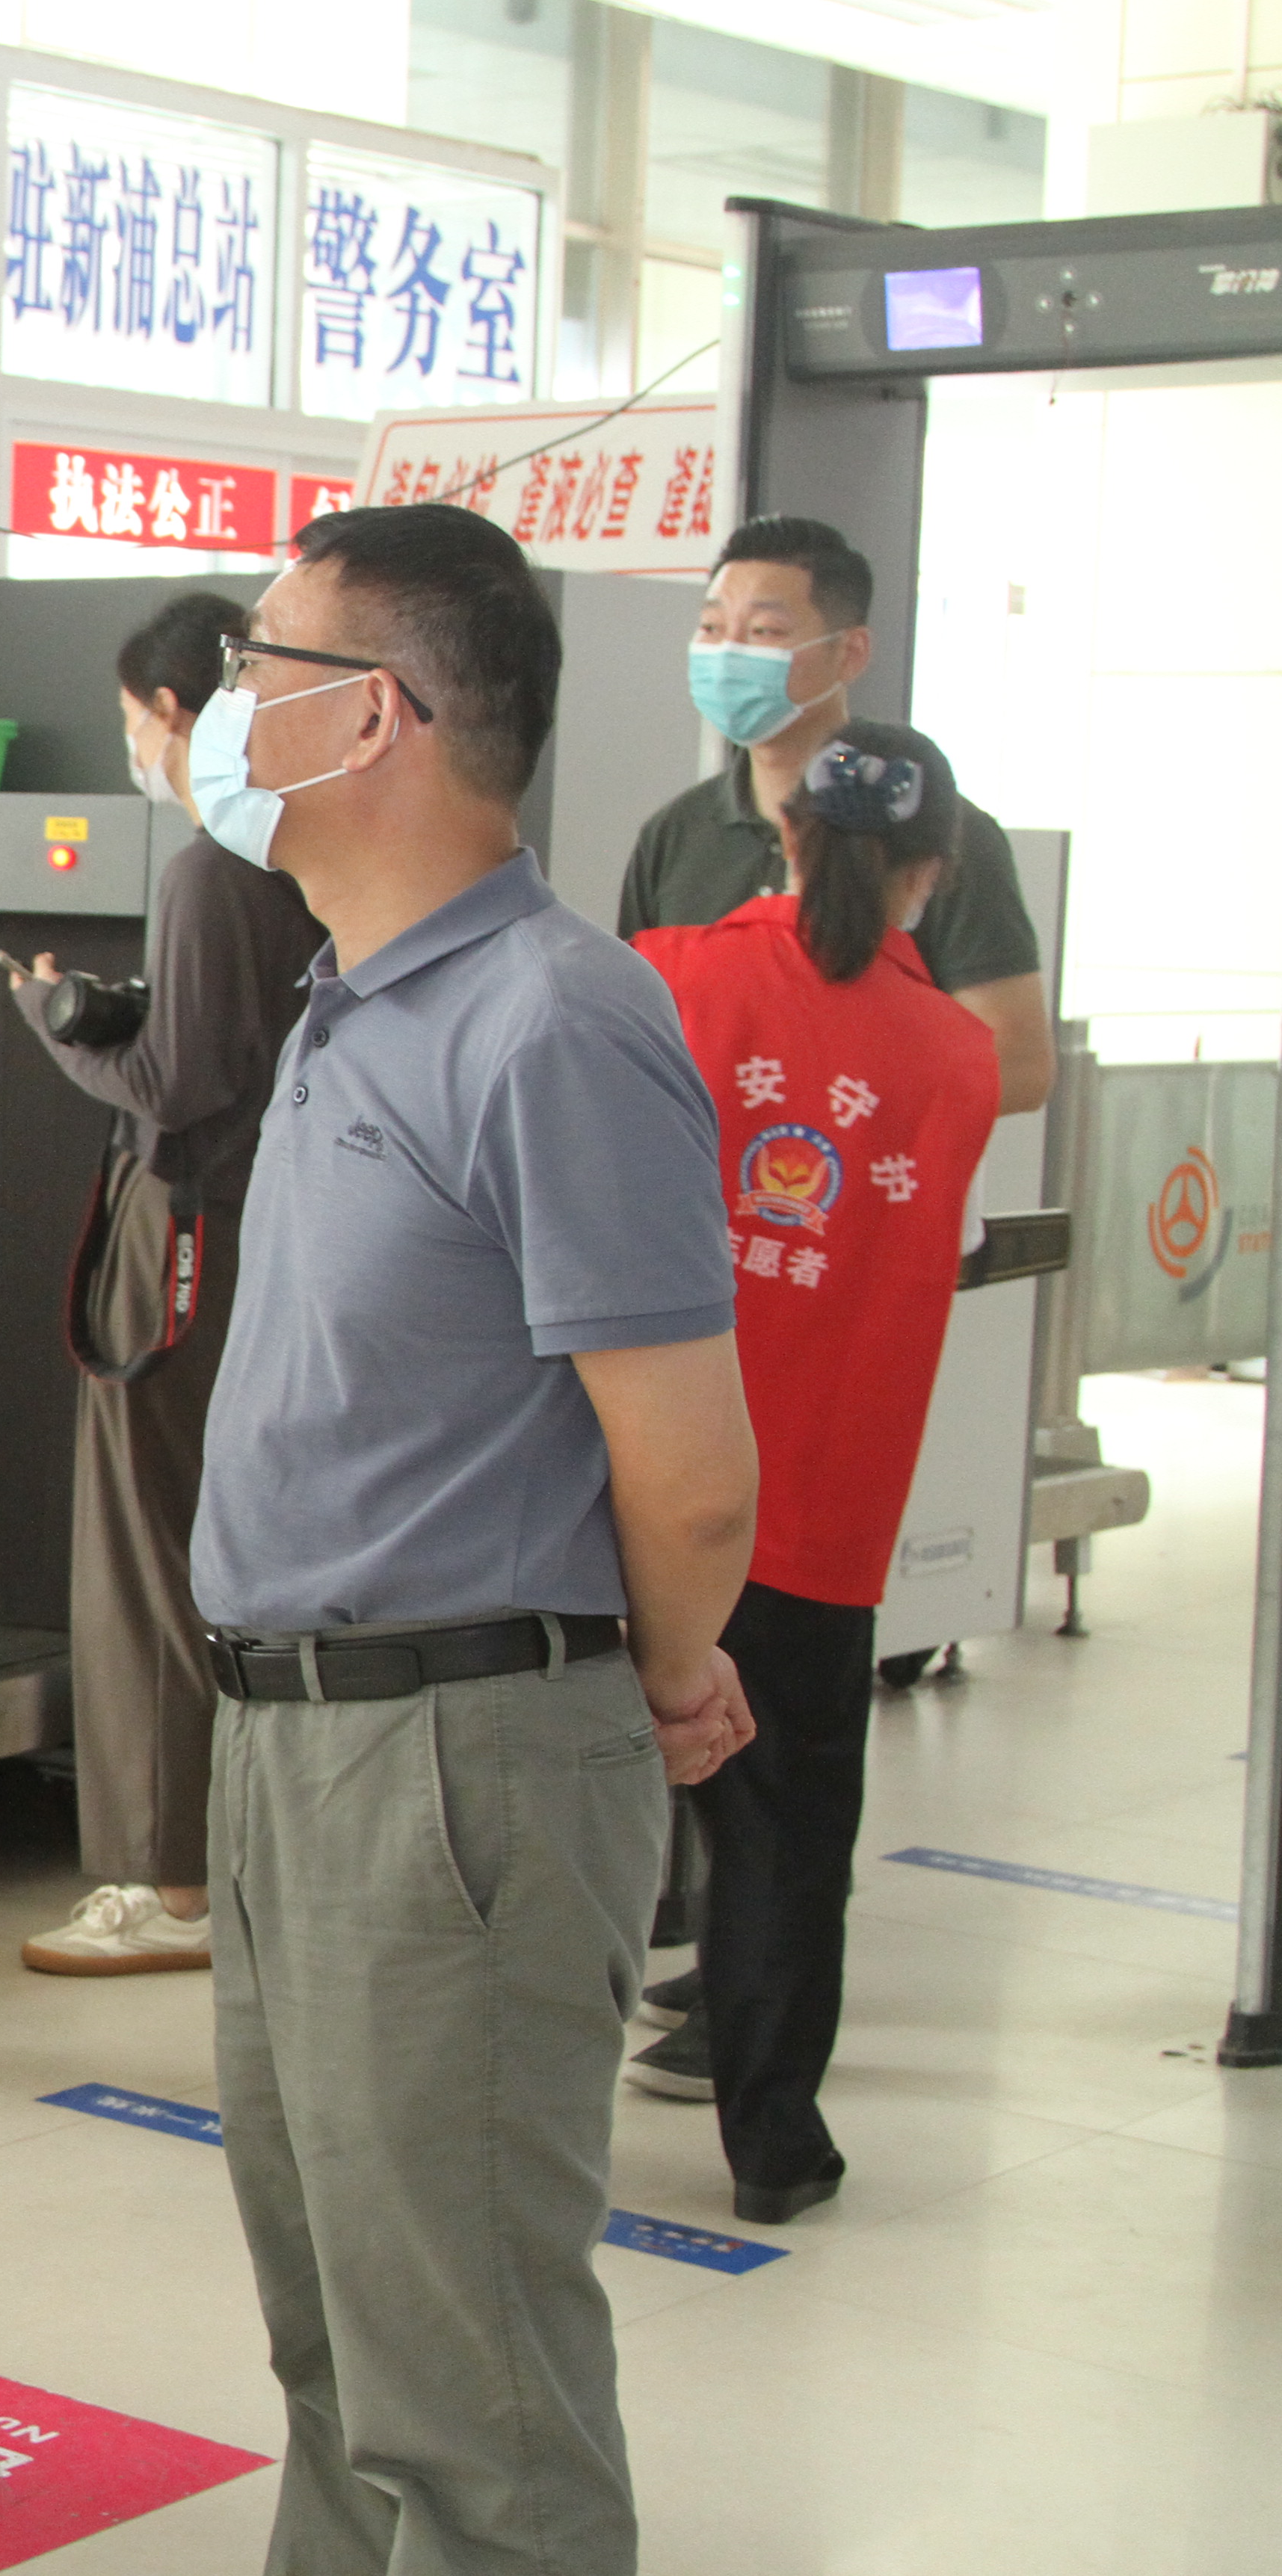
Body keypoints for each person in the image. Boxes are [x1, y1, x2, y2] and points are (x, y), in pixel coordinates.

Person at [185, 501, 758, 2576]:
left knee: (470, 2398)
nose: (225, 709)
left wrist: (662, 1669)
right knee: (342, 2349)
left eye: (260, 668)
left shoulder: (550, 1017)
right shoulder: (355, 1000)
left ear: (378, 717)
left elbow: (687, 1471)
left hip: (449, 1762)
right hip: (294, 1741)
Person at [623, 724, 995, 2220]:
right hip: (816, 1517)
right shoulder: (957, 1058)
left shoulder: (668, 975)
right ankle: (774, 2147)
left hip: (633, 1485)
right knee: (784, 1841)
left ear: (785, 835)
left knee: (575, 1808)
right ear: (934, 874)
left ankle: (520, 2126)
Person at [5, 591, 323, 1977]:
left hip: (182, 1235)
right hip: (276, 1231)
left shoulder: (209, 869)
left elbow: (174, 1081)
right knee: (236, 1548)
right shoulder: (311, 857)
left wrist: (51, 1022)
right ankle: (233, 1854)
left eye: (134, 723)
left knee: (143, 1549)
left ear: (172, 713)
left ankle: (165, 1877)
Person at [619, 515, 1051, 1116]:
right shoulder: (675, 835)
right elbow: (631, 1035)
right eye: (712, 628)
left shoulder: (932, 825)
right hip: (701, 1175)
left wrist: (828, 1099)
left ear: (850, 653)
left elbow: (1021, 1065)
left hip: (865, 1164)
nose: (728, 653)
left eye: (765, 631)